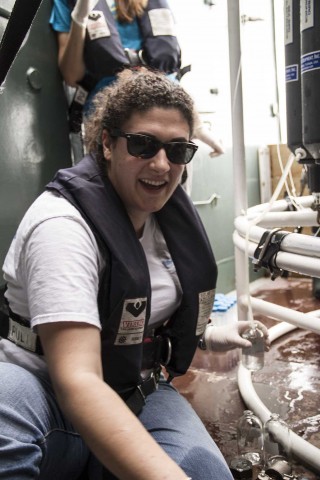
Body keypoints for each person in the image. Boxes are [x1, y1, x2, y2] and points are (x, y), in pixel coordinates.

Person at [0, 68, 268, 479]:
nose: (161, 164)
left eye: (177, 150)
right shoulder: (63, 226)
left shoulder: (168, 223)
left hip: (132, 390)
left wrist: (211, 335)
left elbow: (146, 318)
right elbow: (78, 382)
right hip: (46, 395)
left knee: (202, 469)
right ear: (107, 143)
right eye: (144, 145)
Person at [49, 0, 224, 161]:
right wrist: (79, 19)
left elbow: (169, 73)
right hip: (113, 124)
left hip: (168, 122)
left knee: (170, 186)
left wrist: (197, 124)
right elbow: (72, 75)